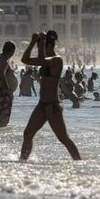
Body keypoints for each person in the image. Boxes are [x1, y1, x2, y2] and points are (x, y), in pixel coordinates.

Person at [20, 31, 81, 161]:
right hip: (42, 104)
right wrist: (32, 43)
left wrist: (40, 46)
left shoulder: (57, 60)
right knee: (27, 134)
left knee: (63, 138)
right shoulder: (46, 60)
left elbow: (42, 60)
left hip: (53, 106)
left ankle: (79, 163)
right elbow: (24, 60)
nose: (42, 50)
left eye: (43, 47)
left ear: (49, 46)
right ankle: (22, 161)